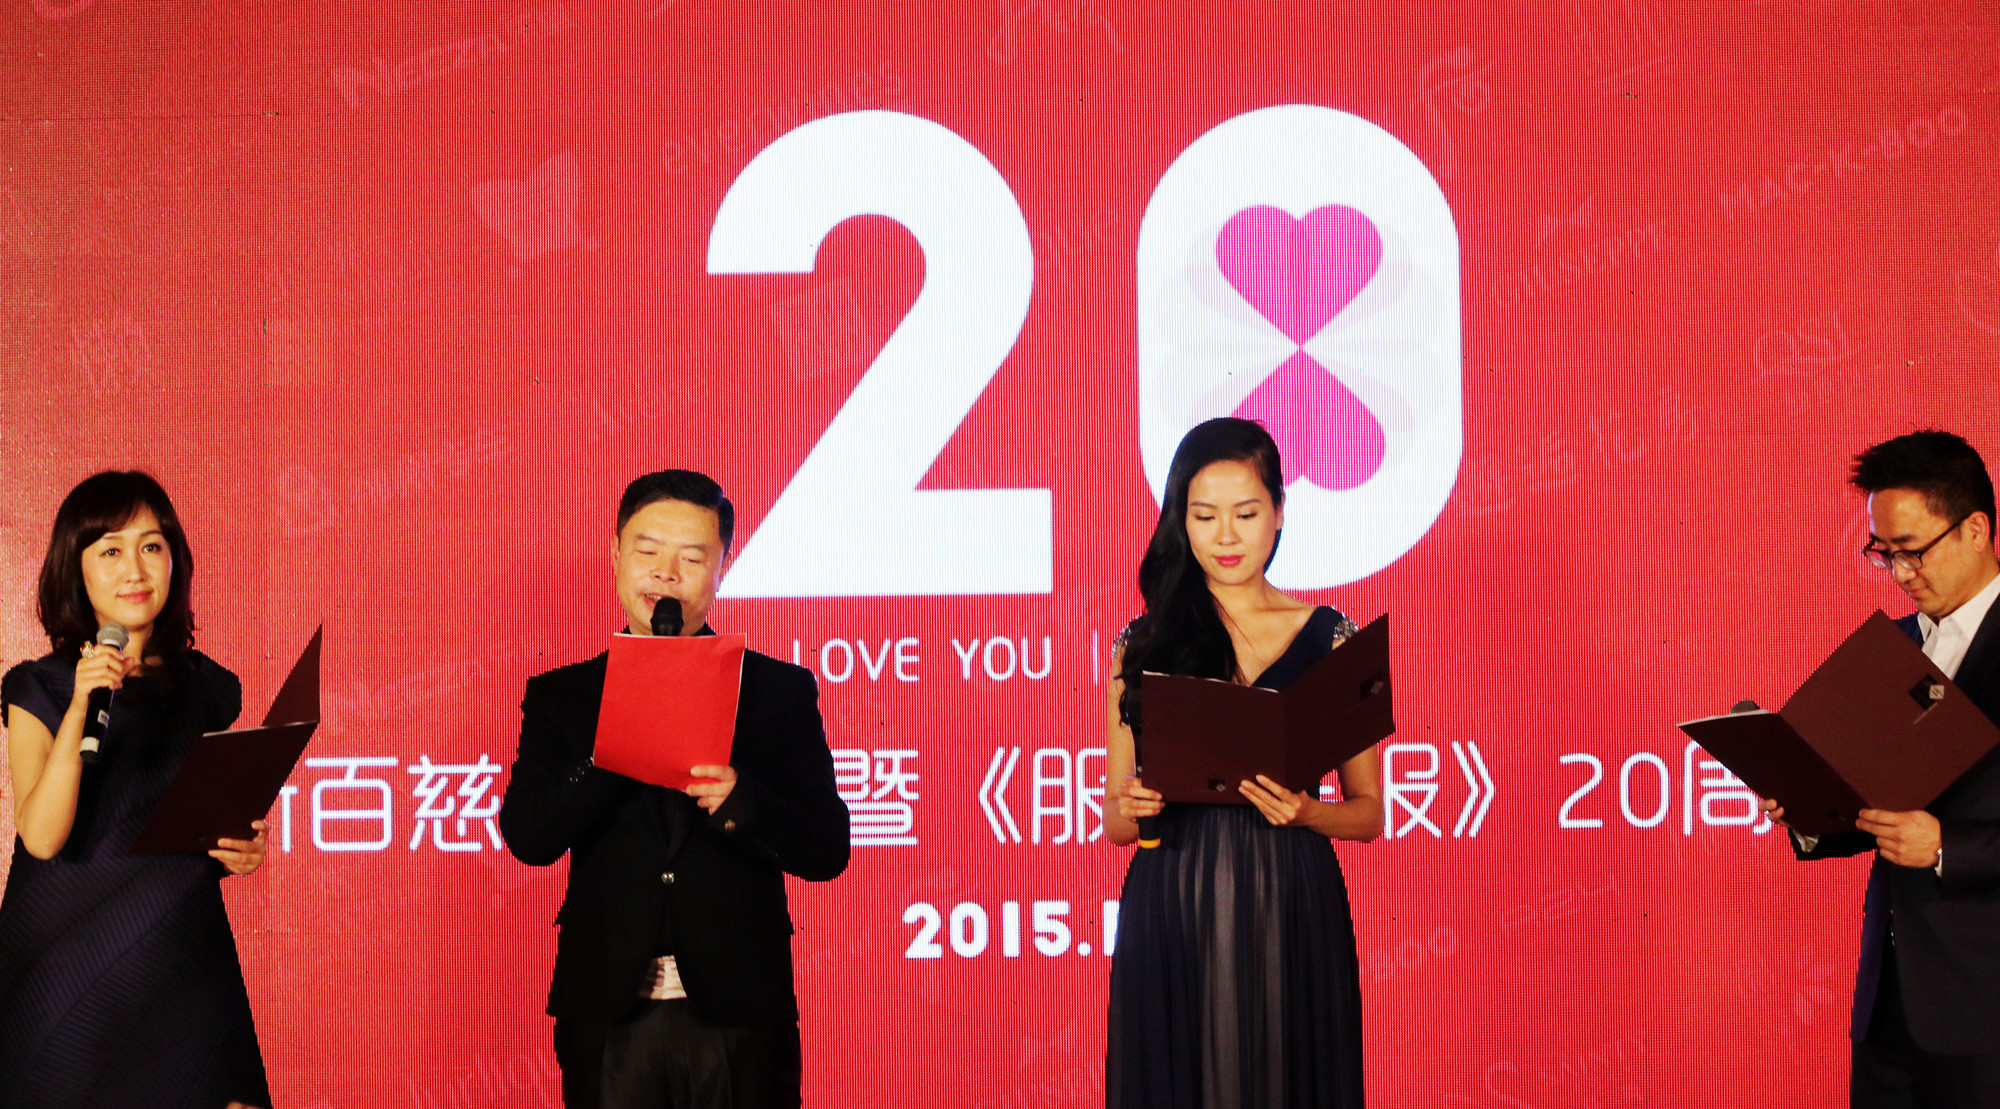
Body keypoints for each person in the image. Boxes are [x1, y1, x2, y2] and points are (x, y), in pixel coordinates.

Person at [499, 468, 850, 1109]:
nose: (666, 575)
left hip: (740, 1014)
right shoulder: (564, 696)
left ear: (721, 567)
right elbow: (529, 836)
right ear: (615, 553)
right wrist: (619, 738)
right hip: (608, 1013)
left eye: (691, 558)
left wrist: (744, 802)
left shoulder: (775, 691)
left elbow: (827, 849)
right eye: (648, 551)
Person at [1103, 418, 1383, 1109]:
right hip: (1174, 898)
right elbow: (1116, 820)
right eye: (1204, 516)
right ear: (1181, 521)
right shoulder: (1142, 642)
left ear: (1280, 512)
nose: (1225, 536)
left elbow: (1370, 813)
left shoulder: (1333, 638)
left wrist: (1308, 811)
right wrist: (1131, 805)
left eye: (1247, 513)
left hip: (1291, 899)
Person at [0, 471, 270, 1109]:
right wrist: (83, 704)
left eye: (151, 546)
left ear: (175, 559)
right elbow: (42, 836)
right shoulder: (40, 688)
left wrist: (242, 847)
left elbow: (179, 824)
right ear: (76, 569)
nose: (135, 569)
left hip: (182, 957)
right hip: (68, 973)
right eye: (111, 550)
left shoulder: (208, 689)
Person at [1763, 430, 2000, 1108]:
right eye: (1883, 552)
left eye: (1912, 550)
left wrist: (1948, 847)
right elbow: (1868, 802)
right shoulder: (1895, 648)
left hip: (1987, 1012)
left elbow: (1940, 832)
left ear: (1975, 530)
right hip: (1889, 1007)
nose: (1899, 573)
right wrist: (1806, 807)